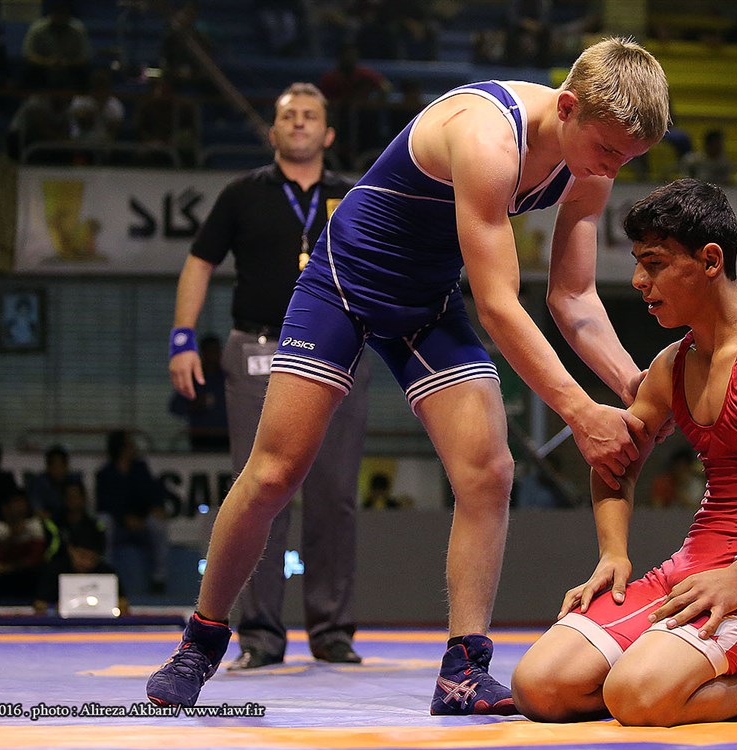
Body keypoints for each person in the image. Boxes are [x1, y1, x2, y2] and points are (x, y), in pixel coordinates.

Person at [146, 37, 670, 713]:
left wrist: (632, 384)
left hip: (426, 299)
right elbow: (498, 305)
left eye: (628, 159)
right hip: (345, 283)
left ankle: (462, 671)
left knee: (489, 470)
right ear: (567, 107)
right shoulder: (486, 135)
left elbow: (573, 297)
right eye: (608, 152)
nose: (611, 169)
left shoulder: (593, 156)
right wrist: (579, 411)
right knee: (275, 472)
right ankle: (200, 641)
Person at [510, 179, 737, 726]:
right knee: (540, 688)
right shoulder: (671, 366)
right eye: (637, 263)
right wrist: (613, 553)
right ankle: (677, 674)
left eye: (654, 263)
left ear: (710, 261)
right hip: (689, 570)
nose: (638, 281)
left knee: (636, 697)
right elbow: (614, 459)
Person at [163, 83, 370, 674]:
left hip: (337, 350)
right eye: (289, 116)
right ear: (273, 132)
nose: (299, 123)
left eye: (310, 116)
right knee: (258, 490)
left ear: (328, 134)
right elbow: (199, 262)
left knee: (335, 495)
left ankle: (332, 631)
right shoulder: (242, 193)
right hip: (257, 349)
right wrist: (182, 338)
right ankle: (258, 634)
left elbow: (380, 267)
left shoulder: (352, 195)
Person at [95, 429, 169, 594]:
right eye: (131, 445)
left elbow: (151, 493)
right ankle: (106, 572)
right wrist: (124, 518)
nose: (135, 448)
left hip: (141, 523)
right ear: (122, 448)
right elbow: (105, 504)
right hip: (118, 525)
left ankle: (159, 577)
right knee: (103, 522)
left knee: (157, 524)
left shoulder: (140, 469)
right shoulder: (105, 474)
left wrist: (154, 508)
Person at [168, 334, 229, 452]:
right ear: (203, 353)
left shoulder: (229, 379)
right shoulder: (192, 380)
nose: (214, 355)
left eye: (217, 351)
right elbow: (175, 407)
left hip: (226, 435)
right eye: (210, 351)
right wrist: (194, 405)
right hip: (200, 437)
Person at [20, 1, 92, 90]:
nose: (60, 17)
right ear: (50, 14)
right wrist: (47, 62)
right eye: (57, 14)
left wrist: (66, 63)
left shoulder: (78, 29)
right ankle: (31, 97)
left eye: (63, 14)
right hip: (43, 65)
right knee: (29, 71)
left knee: (83, 72)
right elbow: (28, 54)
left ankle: (80, 98)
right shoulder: (37, 29)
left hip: (70, 66)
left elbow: (85, 57)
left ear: (69, 16)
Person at [26, 444, 83, 518]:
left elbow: (78, 506)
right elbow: (38, 510)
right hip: (47, 520)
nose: (58, 469)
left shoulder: (73, 481)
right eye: (54, 465)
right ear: (48, 467)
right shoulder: (39, 483)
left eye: (61, 465)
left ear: (66, 466)